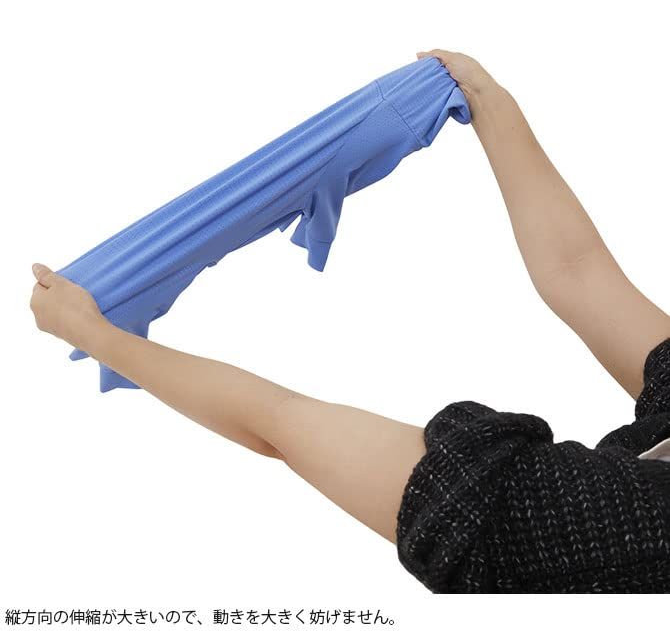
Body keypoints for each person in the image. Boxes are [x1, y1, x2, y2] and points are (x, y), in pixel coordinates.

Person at [30, 50, 670, 593]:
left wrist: (96, 334)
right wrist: (486, 100)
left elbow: (280, 424)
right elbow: (577, 271)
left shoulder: (597, 527)